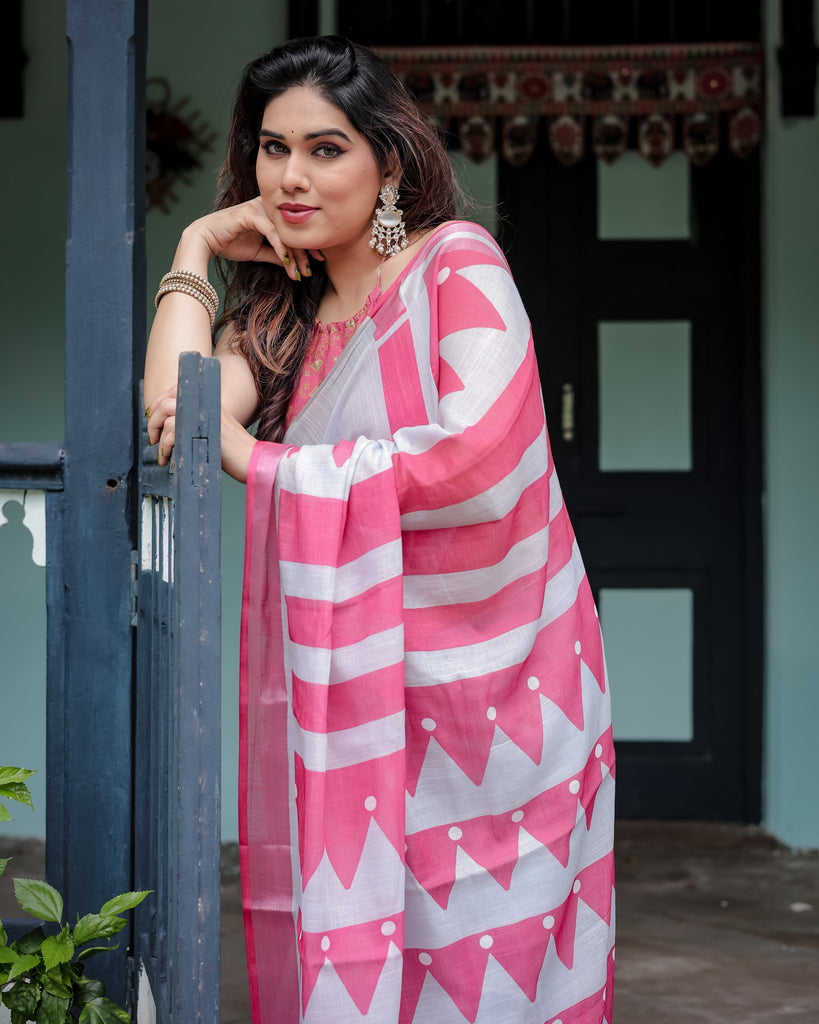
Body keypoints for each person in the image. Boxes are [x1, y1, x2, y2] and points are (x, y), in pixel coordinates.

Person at [144, 35, 615, 1024]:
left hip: (497, 696)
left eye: (326, 149)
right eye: (273, 148)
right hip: (357, 693)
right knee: (365, 945)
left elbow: (478, 455)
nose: (291, 177)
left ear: (388, 163)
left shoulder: (456, 265)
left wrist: (261, 462)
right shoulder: (284, 316)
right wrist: (193, 248)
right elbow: (175, 417)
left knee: (486, 965)